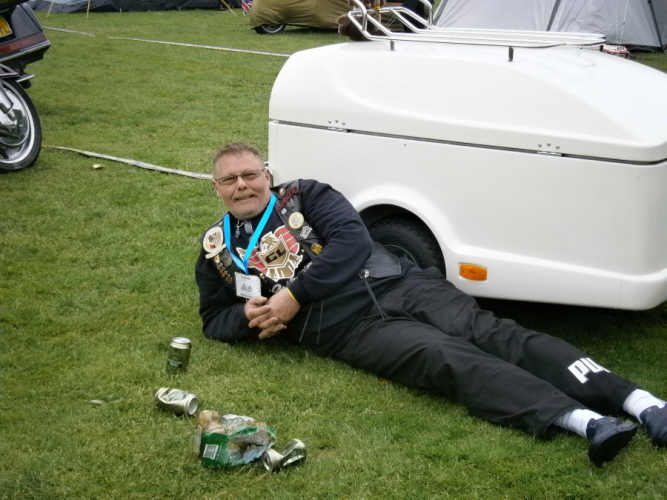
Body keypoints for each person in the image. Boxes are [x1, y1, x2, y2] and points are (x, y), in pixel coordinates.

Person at [195, 142, 667, 466]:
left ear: (267, 175)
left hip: (397, 282)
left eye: (250, 174)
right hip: (347, 330)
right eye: (229, 179)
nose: (242, 186)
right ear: (216, 187)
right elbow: (213, 318)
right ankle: (587, 423)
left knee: (492, 334)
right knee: (445, 358)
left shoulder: (306, 194)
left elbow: (352, 241)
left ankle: (642, 403)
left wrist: (294, 296)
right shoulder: (216, 249)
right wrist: (247, 316)